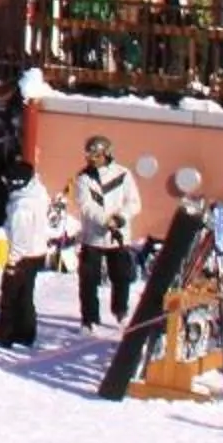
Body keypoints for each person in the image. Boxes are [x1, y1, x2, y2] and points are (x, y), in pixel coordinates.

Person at [73, 134, 142, 329]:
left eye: (95, 155)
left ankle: (121, 311)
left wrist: (120, 218)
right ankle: (89, 320)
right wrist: (104, 220)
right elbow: (85, 205)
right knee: (88, 280)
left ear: (105, 154)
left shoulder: (123, 174)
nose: (90, 159)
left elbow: (134, 202)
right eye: (88, 155)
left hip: (118, 236)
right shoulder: (83, 178)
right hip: (93, 236)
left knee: (121, 276)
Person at [0, 162, 53, 348]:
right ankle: (26, 333)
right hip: (37, 252)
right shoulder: (38, 193)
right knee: (25, 295)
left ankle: (5, 334)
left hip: (23, 256)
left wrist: (12, 262)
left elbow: (20, 238)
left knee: (10, 295)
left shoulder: (21, 206)